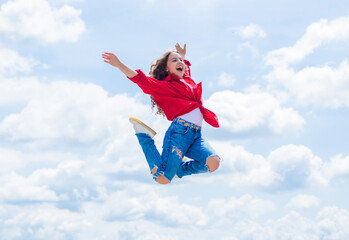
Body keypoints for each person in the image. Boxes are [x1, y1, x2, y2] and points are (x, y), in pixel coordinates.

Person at [102, 43, 221, 184]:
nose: (180, 63)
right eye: (174, 60)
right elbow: (142, 81)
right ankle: (143, 136)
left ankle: (178, 171)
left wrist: (181, 57)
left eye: (181, 61)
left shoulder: (187, 81)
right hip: (179, 134)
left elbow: (183, 69)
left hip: (195, 135)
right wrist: (119, 64)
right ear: (166, 68)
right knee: (162, 179)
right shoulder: (166, 86)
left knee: (213, 162)